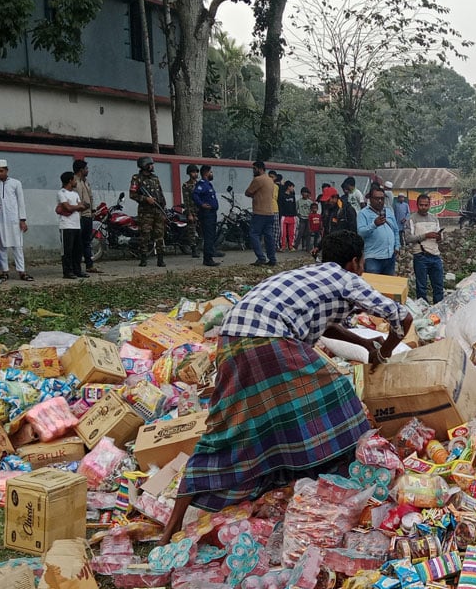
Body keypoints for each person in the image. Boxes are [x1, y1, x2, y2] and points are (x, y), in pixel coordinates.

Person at [158, 230, 413, 544]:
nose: (361, 269)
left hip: (231, 338)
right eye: (361, 263)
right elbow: (402, 317)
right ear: (354, 261)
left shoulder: (306, 275)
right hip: (270, 338)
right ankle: (362, 477)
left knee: (227, 427)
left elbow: (326, 327)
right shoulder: (346, 278)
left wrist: (364, 344)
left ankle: (171, 528)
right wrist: (383, 352)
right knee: (340, 396)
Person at [0, 159, 30, 282]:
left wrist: (22, 219)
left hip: (14, 219)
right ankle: (5, 271)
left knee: (17, 246)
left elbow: (21, 201)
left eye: (1, 171)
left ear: (7, 170)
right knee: (1, 246)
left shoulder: (16, 183)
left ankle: (22, 271)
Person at [405, 192, 444, 303]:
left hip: (435, 255)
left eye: (426, 205)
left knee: (438, 286)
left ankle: (438, 308)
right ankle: (423, 309)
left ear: (429, 205)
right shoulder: (412, 219)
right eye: (421, 205)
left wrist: (439, 237)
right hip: (421, 256)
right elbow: (408, 238)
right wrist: (426, 235)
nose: (424, 207)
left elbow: (441, 239)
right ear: (417, 205)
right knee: (421, 287)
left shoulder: (434, 219)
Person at [129, 156, 166, 267]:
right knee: (145, 235)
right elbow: (133, 194)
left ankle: (160, 259)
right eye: (150, 164)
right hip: (145, 212)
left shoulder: (155, 178)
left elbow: (160, 193)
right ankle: (143, 258)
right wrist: (146, 199)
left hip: (158, 210)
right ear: (144, 165)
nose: (152, 166)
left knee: (159, 234)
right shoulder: (137, 178)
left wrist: (163, 207)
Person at [357, 184, 399, 275]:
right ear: (370, 199)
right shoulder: (363, 213)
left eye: (382, 198)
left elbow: (396, 230)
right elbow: (360, 233)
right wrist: (374, 225)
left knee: (388, 283)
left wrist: (397, 246)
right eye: (376, 198)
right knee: (374, 283)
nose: (380, 201)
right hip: (373, 258)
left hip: (390, 257)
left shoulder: (389, 212)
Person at [244, 160, 278, 267]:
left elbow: (248, 192)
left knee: (254, 234)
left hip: (259, 212)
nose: (253, 171)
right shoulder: (270, 180)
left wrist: (254, 195)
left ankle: (261, 257)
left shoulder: (258, 179)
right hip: (270, 212)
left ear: (260, 169)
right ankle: (272, 259)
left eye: (254, 169)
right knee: (269, 236)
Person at [56, 171, 89, 279]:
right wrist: (77, 207)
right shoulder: (62, 193)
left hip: (76, 224)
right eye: (74, 180)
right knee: (67, 250)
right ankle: (67, 271)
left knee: (77, 250)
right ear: (70, 181)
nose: (75, 182)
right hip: (66, 225)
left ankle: (77, 270)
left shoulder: (75, 194)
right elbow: (68, 207)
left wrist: (74, 207)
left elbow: (81, 206)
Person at [73, 159, 102, 273]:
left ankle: (89, 265)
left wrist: (93, 210)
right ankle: (77, 267)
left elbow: (90, 197)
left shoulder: (85, 182)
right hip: (79, 216)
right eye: (86, 169)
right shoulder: (74, 182)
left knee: (87, 241)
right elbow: (76, 200)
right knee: (79, 242)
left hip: (88, 215)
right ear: (81, 170)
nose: (88, 170)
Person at [192, 165, 220, 267]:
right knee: (208, 236)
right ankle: (208, 259)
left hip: (212, 213)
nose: (212, 174)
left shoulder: (208, 184)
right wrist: (201, 204)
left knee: (211, 235)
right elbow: (195, 195)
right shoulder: (202, 184)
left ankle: (211, 254)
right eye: (211, 172)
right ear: (206, 173)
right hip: (206, 214)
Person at [180, 164, 200, 258]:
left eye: (196, 172)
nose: (195, 174)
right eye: (193, 172)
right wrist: (189, 213)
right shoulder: (186, 185)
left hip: (200, 210)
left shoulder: (199, 184)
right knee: (191, 231)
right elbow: (186, 200)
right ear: (189, 173)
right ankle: (193, 250)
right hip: (192, 210)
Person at [279, 180, 299, 252]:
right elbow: (280, 206)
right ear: (288, 187)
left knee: (292, 233)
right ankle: (283, 246)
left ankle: (291, 246)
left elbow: (294, 206)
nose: (293, 188)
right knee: (283, 233)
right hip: (284, 216)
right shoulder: (282, 195)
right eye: (292, 187)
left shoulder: (293, 196)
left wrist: (295, 215)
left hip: (292, 216)